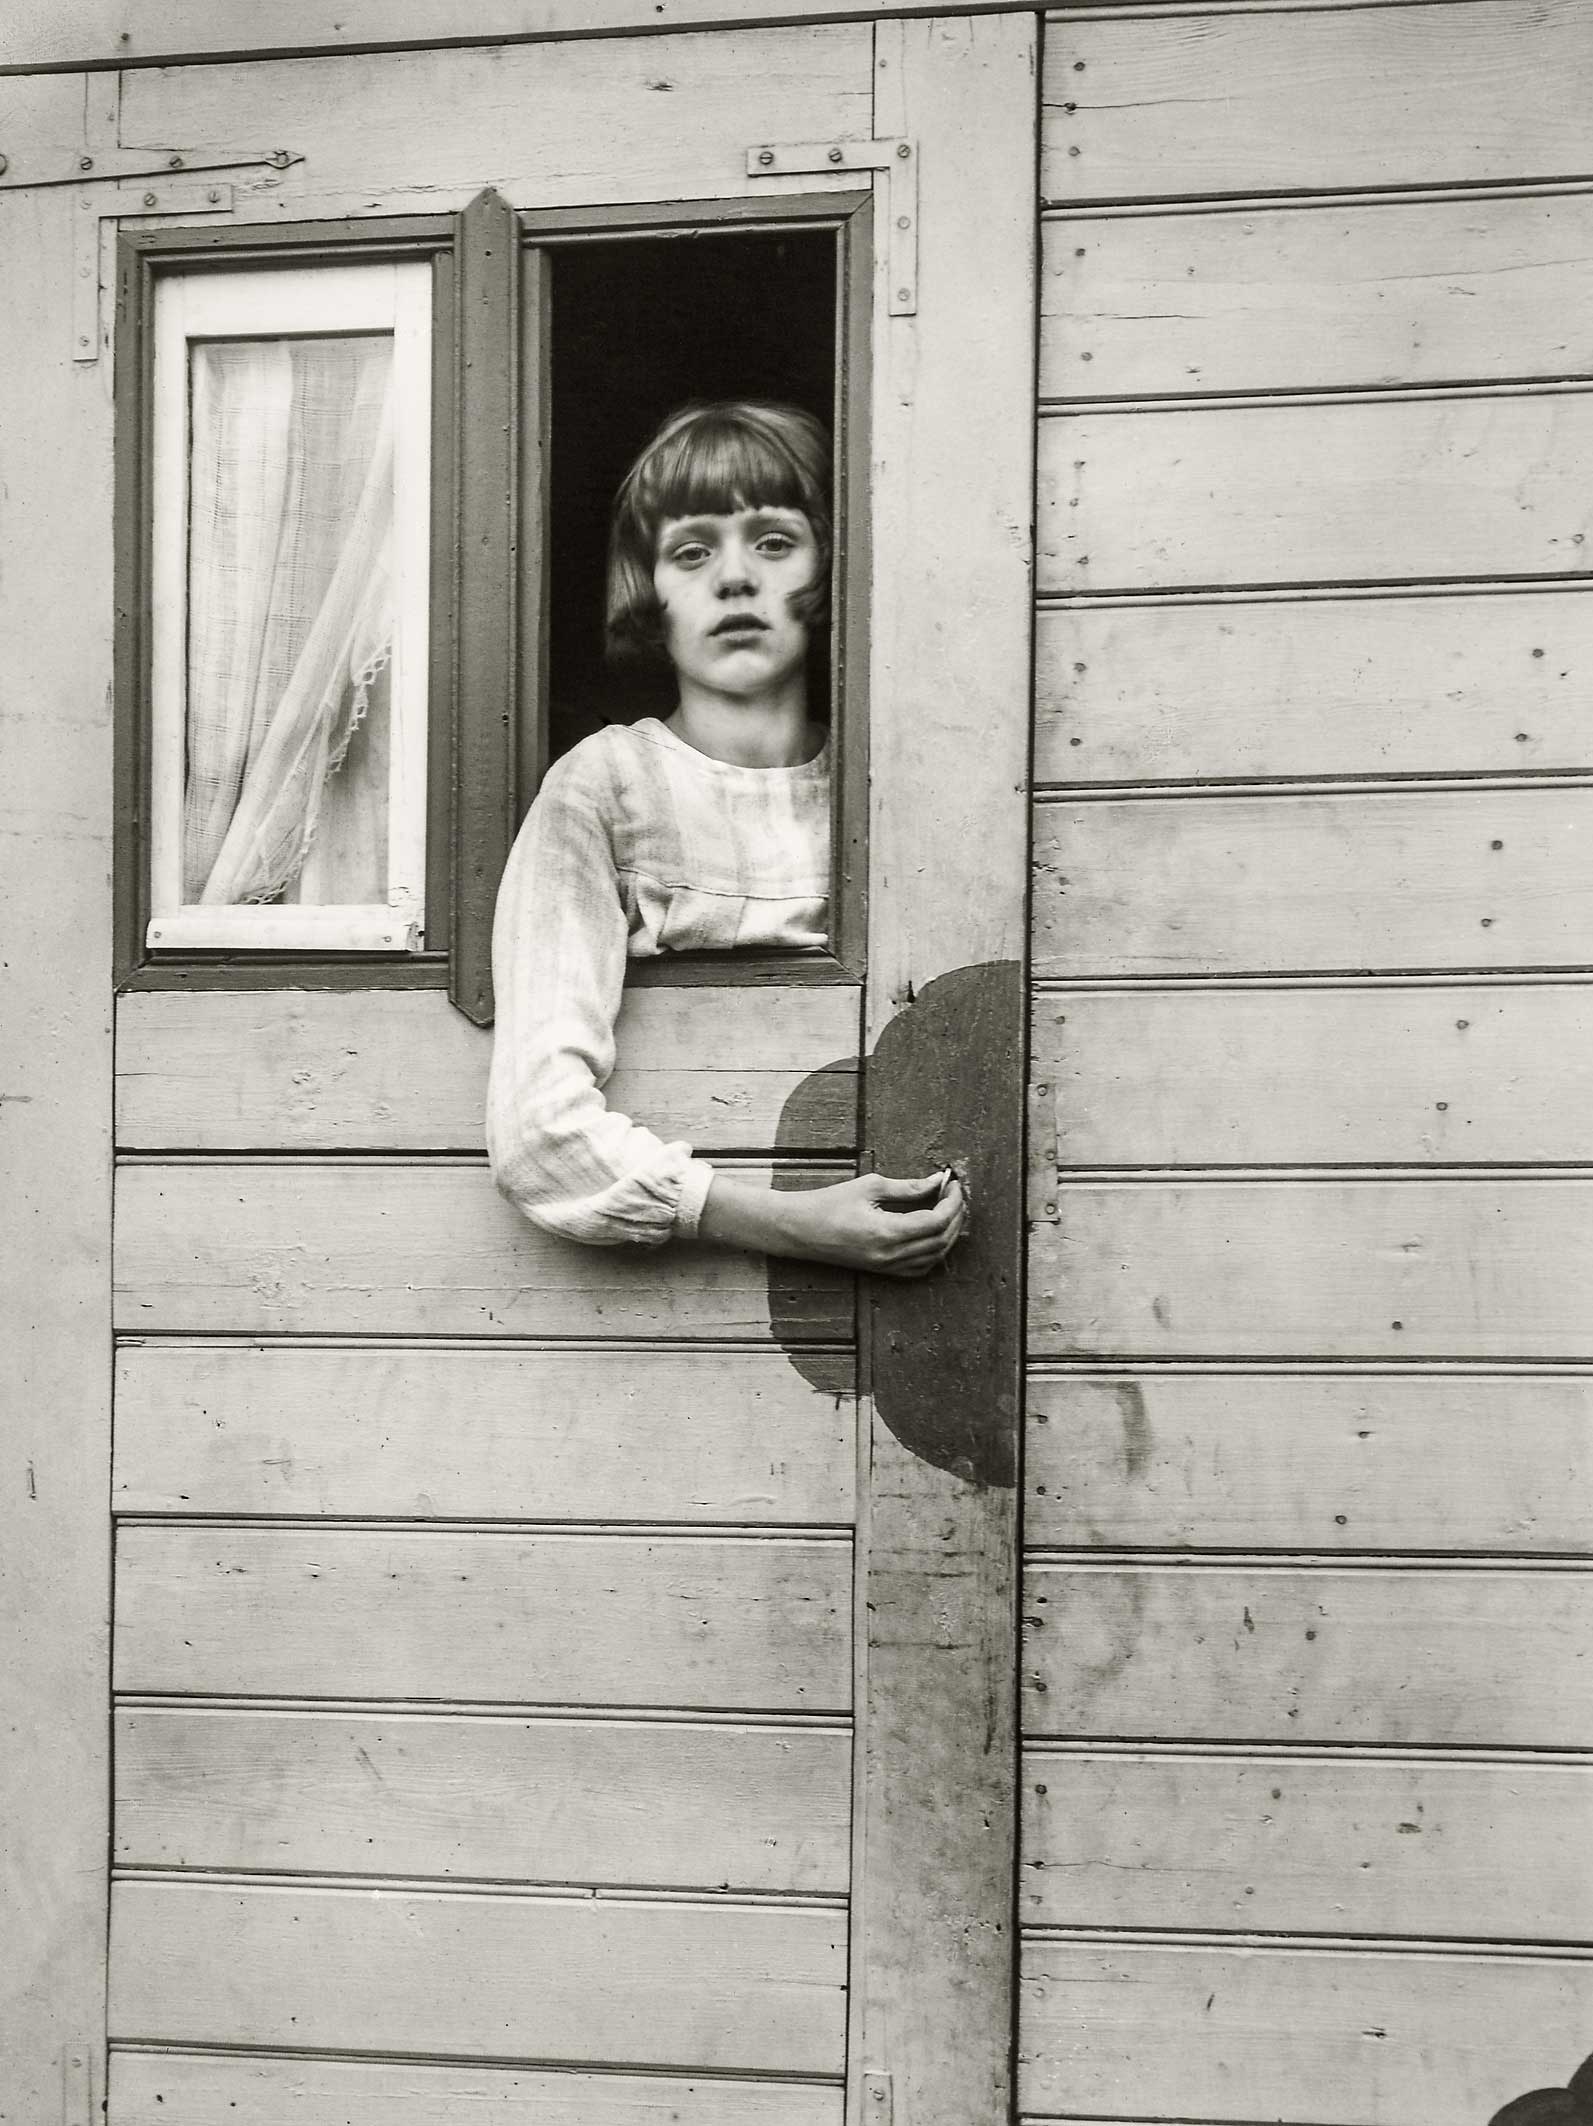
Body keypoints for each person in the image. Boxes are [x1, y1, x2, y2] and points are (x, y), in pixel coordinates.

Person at [487, 399, 966, 1277]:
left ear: (829, 569)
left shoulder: (905, 778)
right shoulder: (603, 787)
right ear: (651, 588)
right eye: (692, 550)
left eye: (774, 542)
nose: (735, 579)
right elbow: (535, 1130)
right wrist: (789, 1223)